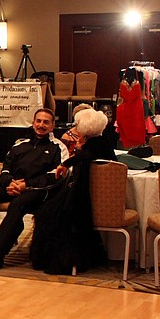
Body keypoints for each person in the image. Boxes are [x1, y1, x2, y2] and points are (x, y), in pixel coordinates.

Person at [0, 108, 68, 271]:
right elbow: (5, 170)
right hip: (14, 186)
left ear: (52, 126)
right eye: (38, 121)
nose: (41, 125)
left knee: (18, 204)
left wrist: (25, 185)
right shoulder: (20, 143)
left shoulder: (58, 147)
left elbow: (55, 176)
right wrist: (10, 183)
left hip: (39, 192)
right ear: (33, 123)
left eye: (46, 122)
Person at [30, 109, 116, 275]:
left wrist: (66, 163)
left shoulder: (93, 145)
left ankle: (55, 260)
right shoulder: (100, 142)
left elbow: (85, 156)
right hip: (85, 194)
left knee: (50, 214)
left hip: (81, 197)